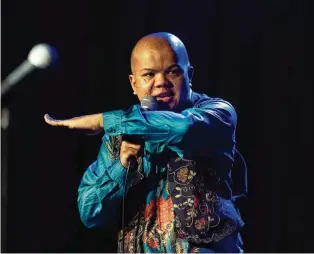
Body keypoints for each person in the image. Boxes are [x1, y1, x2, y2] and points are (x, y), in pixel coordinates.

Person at [44, 32, 246, 253]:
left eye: (173, 72)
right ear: (134, 83)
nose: (161, 82)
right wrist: (122, 166)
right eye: (149, 75)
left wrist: (103, 120)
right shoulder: (120, 133)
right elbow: (90, 213)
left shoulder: (217, 114)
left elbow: (184, 128)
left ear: (189, 74)